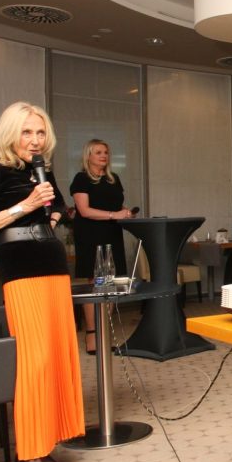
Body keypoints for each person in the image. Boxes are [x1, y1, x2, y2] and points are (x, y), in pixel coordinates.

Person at [0, 101, 82, 462]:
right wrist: (26, 206)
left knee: (56, 359)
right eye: (27, 132)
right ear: (10, 133)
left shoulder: (42, 169)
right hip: (20, 272)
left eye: (40, 132)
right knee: (33, 366)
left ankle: (46, 449)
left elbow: (60, 210)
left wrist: (51, 218)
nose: (34, 140)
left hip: (53, 267)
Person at [69, 139, 136, 354]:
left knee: (112, 284)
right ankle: (92, 335)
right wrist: (114, 215)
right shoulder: (81, 179)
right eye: (98, 152)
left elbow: (116, 205)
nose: (103, 155)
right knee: (96, 284)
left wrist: (126, 212)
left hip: (112, 234)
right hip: (91, 236)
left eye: (106, 152)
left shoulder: (113, 178)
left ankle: (104, 333)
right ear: (88, 156)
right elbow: (84, 210)